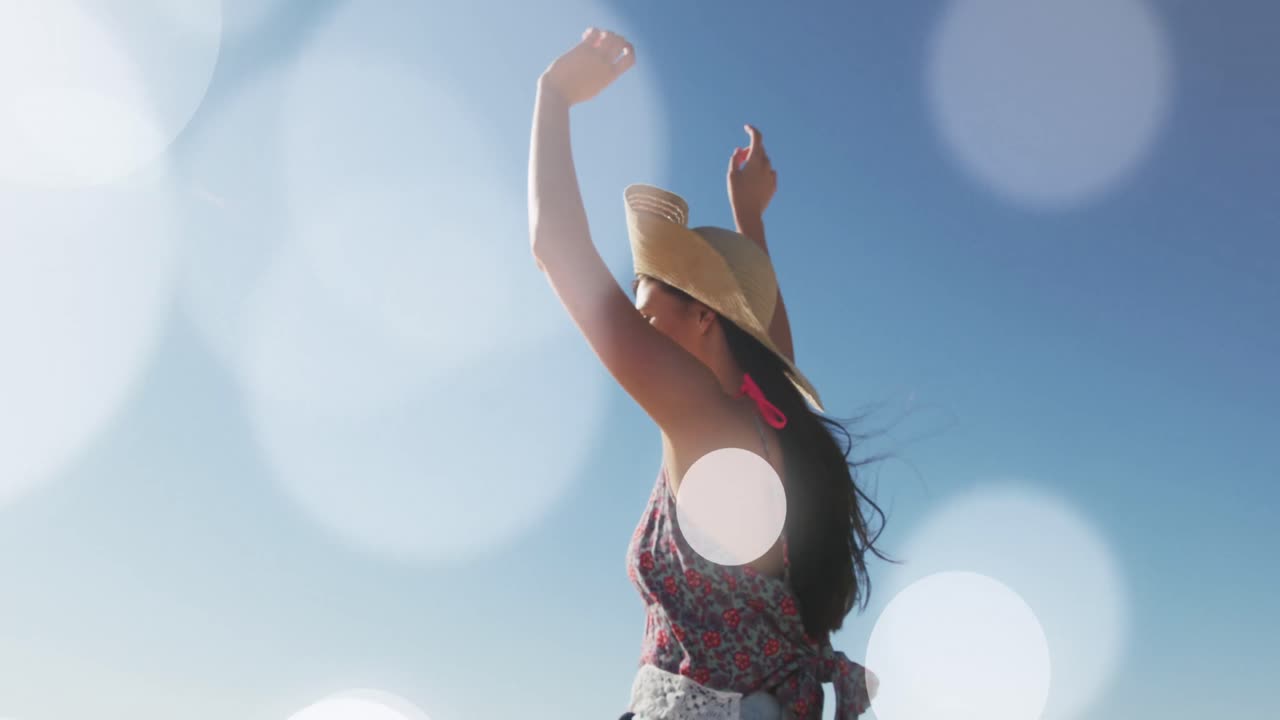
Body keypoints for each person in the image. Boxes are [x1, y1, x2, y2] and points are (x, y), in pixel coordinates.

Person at [529, 28, 888, 720]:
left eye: (647, 312)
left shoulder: (705, 421)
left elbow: (554, 246)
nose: (638, 332)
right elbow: (770, 336)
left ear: (703, 321)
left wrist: (553, 96)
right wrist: (749, 217)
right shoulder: (771, 424)